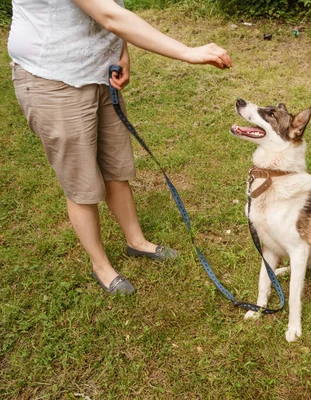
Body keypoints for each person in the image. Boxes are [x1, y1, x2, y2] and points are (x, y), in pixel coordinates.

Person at [8, 0, 232, 294]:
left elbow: (114, 5)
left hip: (100, 73)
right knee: (81, 182)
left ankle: (136, 241)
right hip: (53, 78)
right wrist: (187, 52)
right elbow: (109, 15)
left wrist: (121, 51)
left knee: (116, 166)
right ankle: (100, 266)